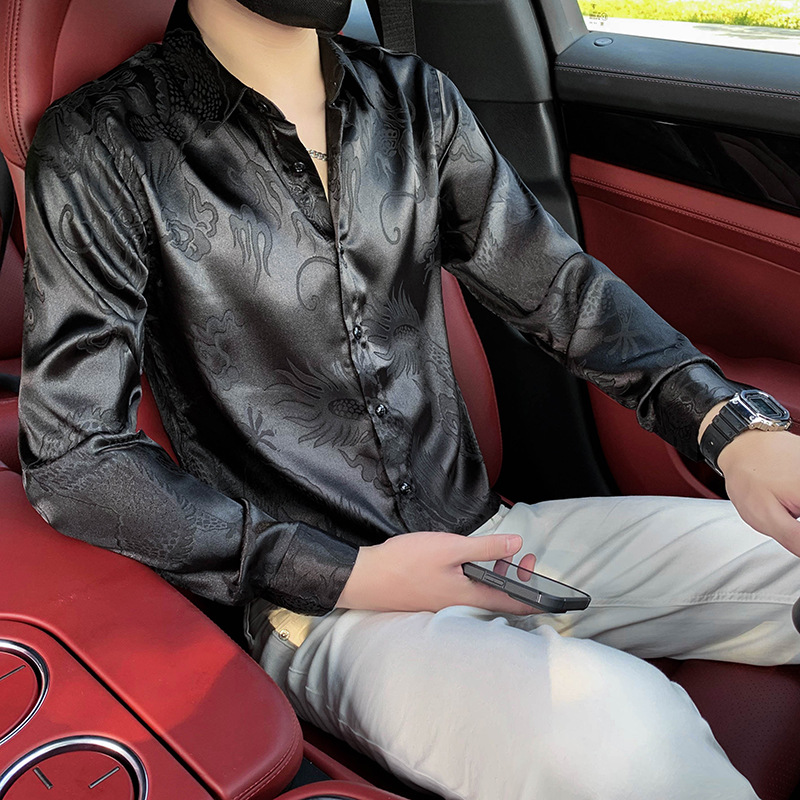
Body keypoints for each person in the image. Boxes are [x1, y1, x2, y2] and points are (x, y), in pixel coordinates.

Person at [19, 0, 800, 797]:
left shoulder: (415, 97)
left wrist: (728, 425)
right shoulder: (102, 141)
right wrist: (348, 575)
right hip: (323, 609)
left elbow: (559, 289)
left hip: (493, 540)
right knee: (617, 725)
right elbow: (76, 457)